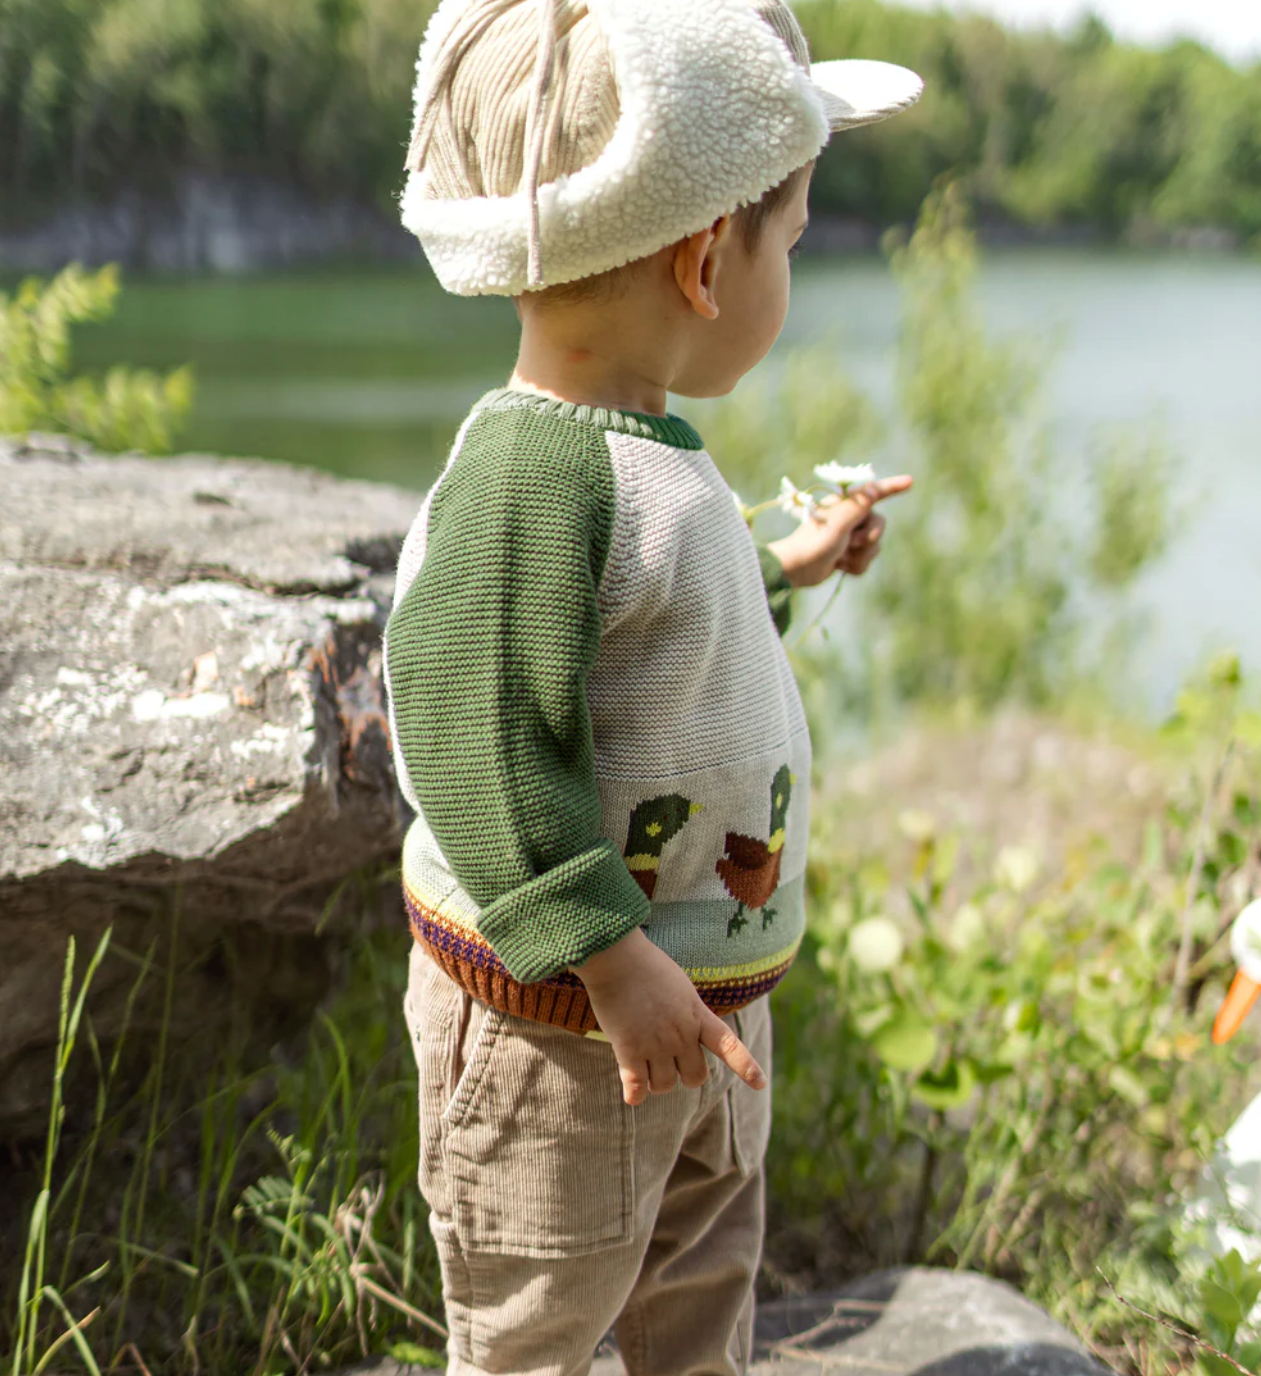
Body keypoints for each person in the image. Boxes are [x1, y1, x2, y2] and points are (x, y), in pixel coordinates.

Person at [383, 2, 921, 1372]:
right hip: (562, 1028)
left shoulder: (642, 451)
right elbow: (472, 733)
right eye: (788, 243)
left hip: (703, 1004)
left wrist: (791, 566)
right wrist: (614, 964)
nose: (788, 273)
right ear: (702, 264)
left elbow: (672, 652)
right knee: (538, 1317)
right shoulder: (530, 474)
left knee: (700, 1292)